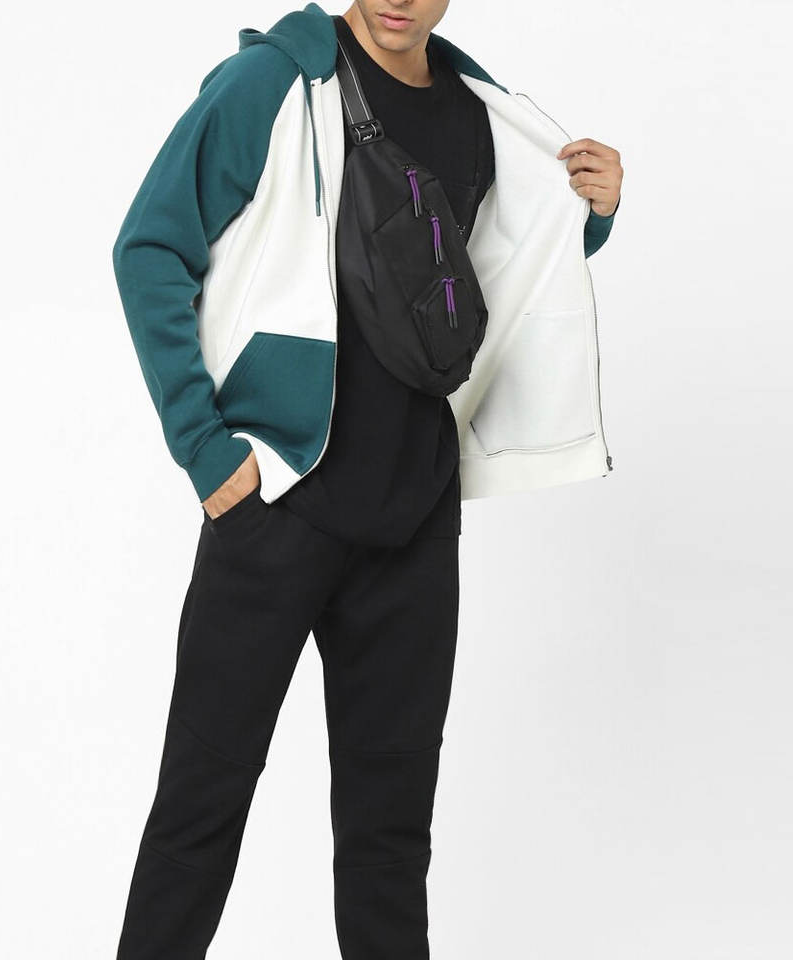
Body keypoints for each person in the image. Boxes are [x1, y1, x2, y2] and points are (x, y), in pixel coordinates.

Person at [110, 2, 623, 958]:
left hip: (413, 522)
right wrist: (206, 449)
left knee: (390, 842)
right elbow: (149, 248)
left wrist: (588, 216)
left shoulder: (476, 111)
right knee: (199, 814)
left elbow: (479, 276)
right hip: (277, 502)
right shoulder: (272, 83)